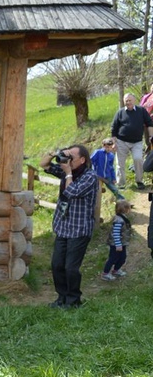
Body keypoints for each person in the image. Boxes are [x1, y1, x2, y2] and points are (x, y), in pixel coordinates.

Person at [40, 144, 99, 309]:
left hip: (79, 229)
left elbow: (71, 191)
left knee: (71, 268)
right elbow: (43, 165)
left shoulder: (90, 176)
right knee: (57, 265)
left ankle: (73, 301)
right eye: (68, 156)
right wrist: (55, 153)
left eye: (72, 157)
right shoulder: (69, 171)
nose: (69, 160)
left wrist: (67, 174)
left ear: (82, 160)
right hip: (63, 227)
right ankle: (62, 298)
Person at [110, 93, 153, 189]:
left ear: (134, 101)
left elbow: (149, 123)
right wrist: (114, 142)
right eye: (126, 100)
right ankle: (121, 184)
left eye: (129, 100)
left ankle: (140, 181)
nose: (128, 102)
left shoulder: (141, 111)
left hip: (137, 142)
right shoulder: (120, 112)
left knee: (138, 159)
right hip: (121, 141)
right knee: (120, 163)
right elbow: (113, 128)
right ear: (124, 101)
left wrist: (151, 136)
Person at [101, 199, 132, 281]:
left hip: (122, 243)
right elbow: (115, 233)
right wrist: (118, 244)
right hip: (116, 244)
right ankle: (106, 273)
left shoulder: (123, 218)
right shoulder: (118, 220)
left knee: (122, 258)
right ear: (125, 209)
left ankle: (116, 270)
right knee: (112, 258)